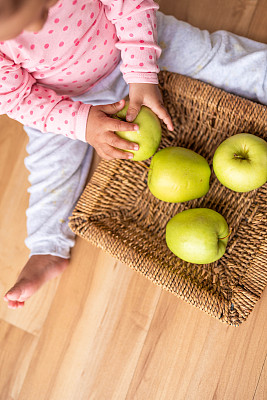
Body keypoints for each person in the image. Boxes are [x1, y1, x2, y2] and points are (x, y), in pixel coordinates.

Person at [1, 0, 266, 309]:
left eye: (42, 11)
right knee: (51, 166)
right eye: (17, 31)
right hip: (65, 101)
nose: (35, 28)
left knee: (218, 58)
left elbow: (130, 6)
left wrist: (141, 73)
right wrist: (82, 124)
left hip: (136, 42)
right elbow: (19, 100)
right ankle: (47, 247)